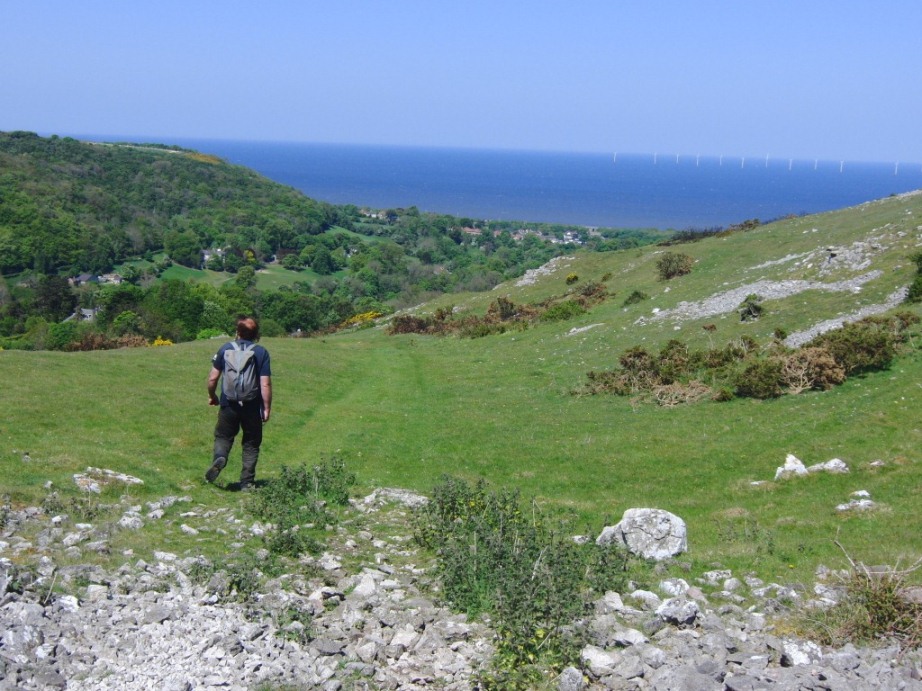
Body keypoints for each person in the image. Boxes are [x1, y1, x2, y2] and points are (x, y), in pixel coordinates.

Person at [205, 316, 272, 490]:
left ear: (238, 332)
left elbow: (213, 378)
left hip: (229, 403)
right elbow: (265, 383)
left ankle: (220, 457)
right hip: (251, 405)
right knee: (251, 443)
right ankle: (247, 483)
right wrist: (266, 408)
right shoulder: (261, 352)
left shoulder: (225, 348)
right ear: (256, 334)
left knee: (223, 436)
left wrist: (212, 396)